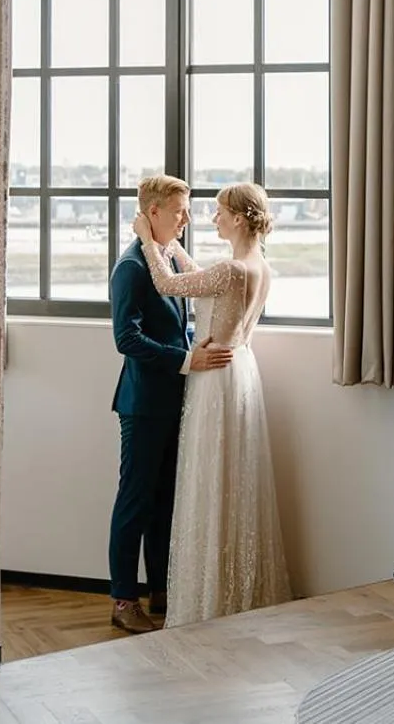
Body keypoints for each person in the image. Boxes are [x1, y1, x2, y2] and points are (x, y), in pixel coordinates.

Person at [131, 181, 293, 627]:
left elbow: (168, 283)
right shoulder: (256, 266)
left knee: (210, 478)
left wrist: (148, 240)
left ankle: (211, 595)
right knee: (233, 478)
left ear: (239, 218)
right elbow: (204, 279)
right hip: (239, 368)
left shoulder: (231, 270)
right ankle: (235, 585)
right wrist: (176, 247)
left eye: (219, 212)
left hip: (213, 376)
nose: (213, 218)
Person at [107, 175, 233, 634]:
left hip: (174, 400)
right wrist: (186, 360)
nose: (187, 218)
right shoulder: (132, 268)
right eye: (179, 210)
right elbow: (126, 338)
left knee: (164, 502)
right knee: (134, 503)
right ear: (152, 212)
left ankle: (161, 589)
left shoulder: (164, 259)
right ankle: (124, 600)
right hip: (142, 405)